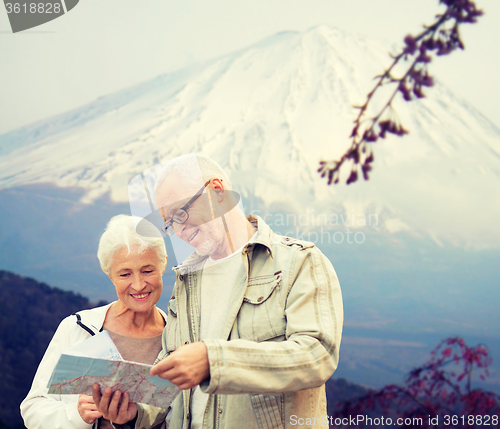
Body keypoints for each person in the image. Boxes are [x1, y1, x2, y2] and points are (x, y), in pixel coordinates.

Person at [93, 154, 343, 429]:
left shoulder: (298, 262)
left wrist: (215, 361)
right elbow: (171, 386)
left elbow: (317, 356)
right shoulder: (186, 282)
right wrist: (134, 414)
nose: (178, 231)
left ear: (217, 191)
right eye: (169, 223)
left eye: (181, 214)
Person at [21, 215, 168, 429]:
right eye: (125, 274)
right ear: (110, 275)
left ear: (163, 265)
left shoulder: (178, 336)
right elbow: (33, 409)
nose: (138, 285)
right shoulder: (77, 329)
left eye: (147, 271)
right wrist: (77, 415)